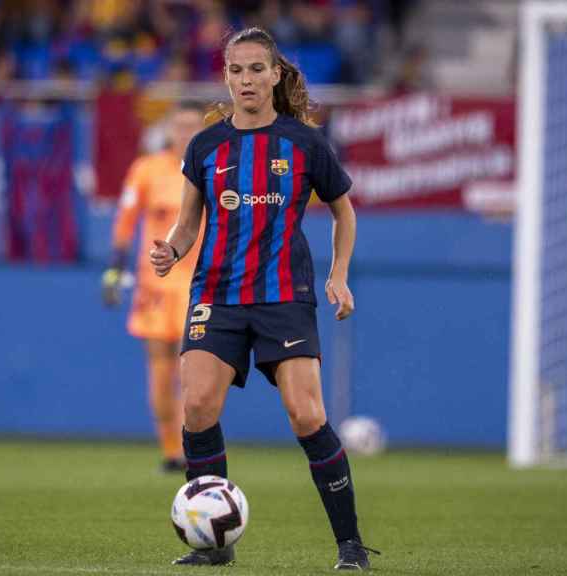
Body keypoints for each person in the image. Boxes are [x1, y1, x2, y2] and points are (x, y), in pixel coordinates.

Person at [150, 27, 378, 570]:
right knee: (199, 405)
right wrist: (172, 252)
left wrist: (339, 274)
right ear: (225, 77)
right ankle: (215, 547)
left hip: (284, 296)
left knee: (306, 414)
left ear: (276, 74)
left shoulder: (304, 142)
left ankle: (350, 545)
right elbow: (187, 226)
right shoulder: (205, 146)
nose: (246, 80)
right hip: (218, 294)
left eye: (256, 69)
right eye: (235, 70)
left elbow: (344, 211)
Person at [104, 103, 205, 473]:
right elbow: (125, 220)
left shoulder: (213, 169)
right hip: (156, 285)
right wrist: (114, 271)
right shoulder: (147, 170)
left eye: (192, 126)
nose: (185, 133)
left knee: (192, 372)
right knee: (161, 372)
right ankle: (170, 450)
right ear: (169, 131)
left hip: (198, 285)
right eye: (179, 126)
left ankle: (190, 447)